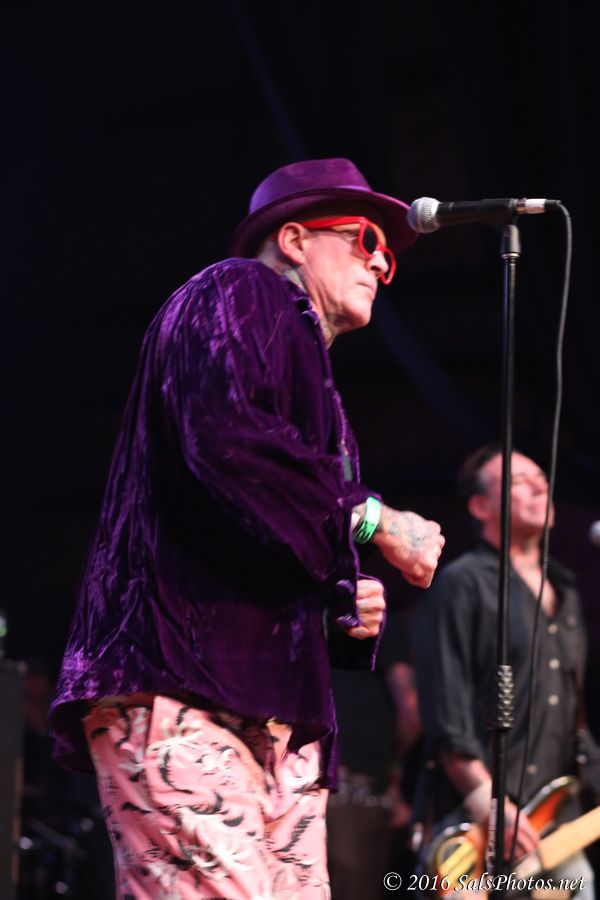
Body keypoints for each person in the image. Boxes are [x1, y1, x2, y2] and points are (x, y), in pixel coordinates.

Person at [49, 157, 445, 899]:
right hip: (179, 686)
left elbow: (263, 521)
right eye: (365, 239)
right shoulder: (237, 290)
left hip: (269, 715)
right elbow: (229, 442)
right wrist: (373, 520)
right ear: (294, 239)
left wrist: (344, 599)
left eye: (388, 258)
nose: (379, 263)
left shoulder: (314, 379)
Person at [412, 445, 600, 899]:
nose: (539, 486)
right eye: (519, 480)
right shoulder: (462, 583)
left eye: (542, 478)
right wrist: (489, 804)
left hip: (557, 823)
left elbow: (571, 720)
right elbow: (446, 715)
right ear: (481, 507)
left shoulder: (565, 591)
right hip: (476, 824)